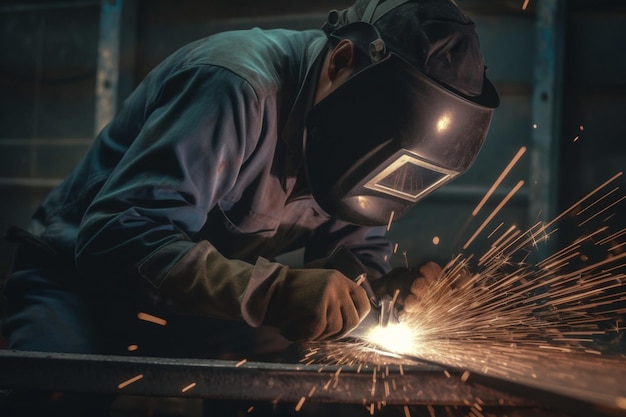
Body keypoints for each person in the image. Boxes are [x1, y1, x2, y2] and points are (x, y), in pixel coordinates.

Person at [1, 0, 498, 415]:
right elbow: (116, 239)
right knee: (56, 392)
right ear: (341, 58)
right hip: (75, 286)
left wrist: (378, 295)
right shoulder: (234, 86)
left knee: (276, 391)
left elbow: (356, 249)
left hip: (200, 307)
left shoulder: (367, 133)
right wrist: (275, 291)